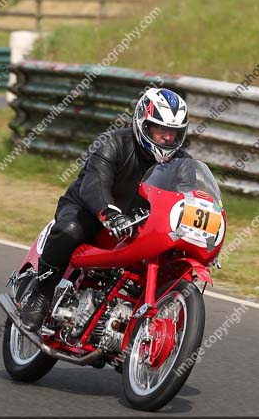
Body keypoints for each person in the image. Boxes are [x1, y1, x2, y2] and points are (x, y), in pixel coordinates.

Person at [20, 88, 190, 332]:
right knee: (69, 230)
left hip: (140, 225)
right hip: (89, 210)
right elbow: (95, 184)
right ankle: (40, 294)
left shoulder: (181, 163)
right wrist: (109, 213)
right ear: (142, 123)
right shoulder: (113, 142)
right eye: (160, 130)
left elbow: (190, 195)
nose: (165, 139)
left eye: (173, 134)